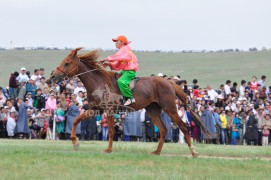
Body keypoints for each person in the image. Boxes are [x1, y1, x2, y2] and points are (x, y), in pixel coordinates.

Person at [100, 35, 139, 106]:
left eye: (116, 41)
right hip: (125, 71)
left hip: (130, 72)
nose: (115, 43)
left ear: (122, 42)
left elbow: (118, 57)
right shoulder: (123, 51)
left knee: (120, 81)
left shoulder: (125, 49)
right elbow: (118, 63)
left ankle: (130, 98)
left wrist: (107, 59)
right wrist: (109, 64)